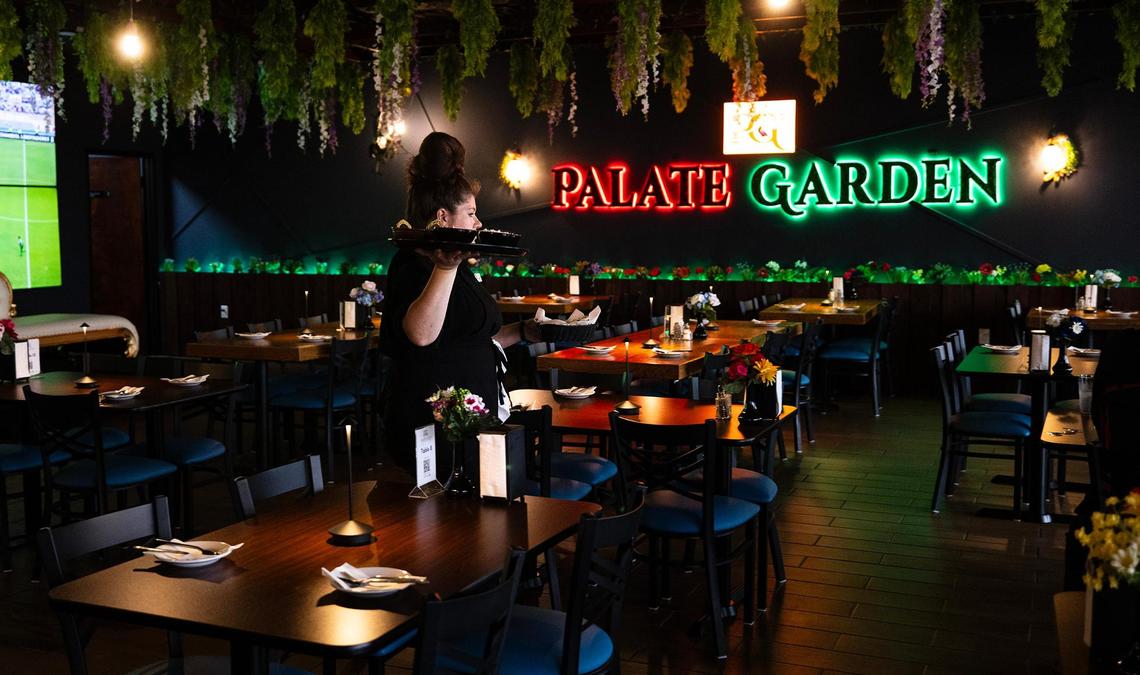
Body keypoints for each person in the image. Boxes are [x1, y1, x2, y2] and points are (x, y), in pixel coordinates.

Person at [380, 132, 536, 472]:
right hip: (433, 423)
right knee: (437, 522)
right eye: (470, 213)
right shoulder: (413, 262)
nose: (479, 223)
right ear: (442, 217)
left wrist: (527, 331)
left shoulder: (461, 267)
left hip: (471, 418)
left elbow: (472, 337)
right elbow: (421, 335)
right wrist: (446, 265)